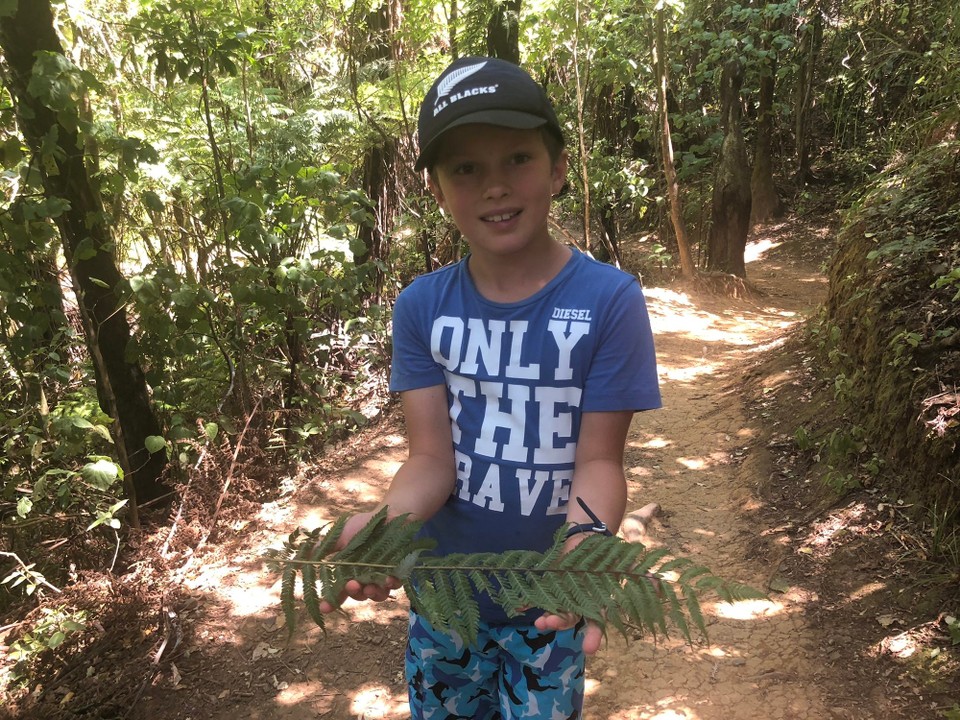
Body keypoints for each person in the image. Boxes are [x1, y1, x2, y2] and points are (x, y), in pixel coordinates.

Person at [320, 55, 661, 719]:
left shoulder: (609, 302)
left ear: (559, 167)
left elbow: (597, 461)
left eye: (517, 159)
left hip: (549, 609)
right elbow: (429, 460)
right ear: (437, 188)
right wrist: (388, 530)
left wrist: (581, 560)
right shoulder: (421, 308)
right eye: (465, 168)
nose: (494, 187)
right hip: (446, 601)